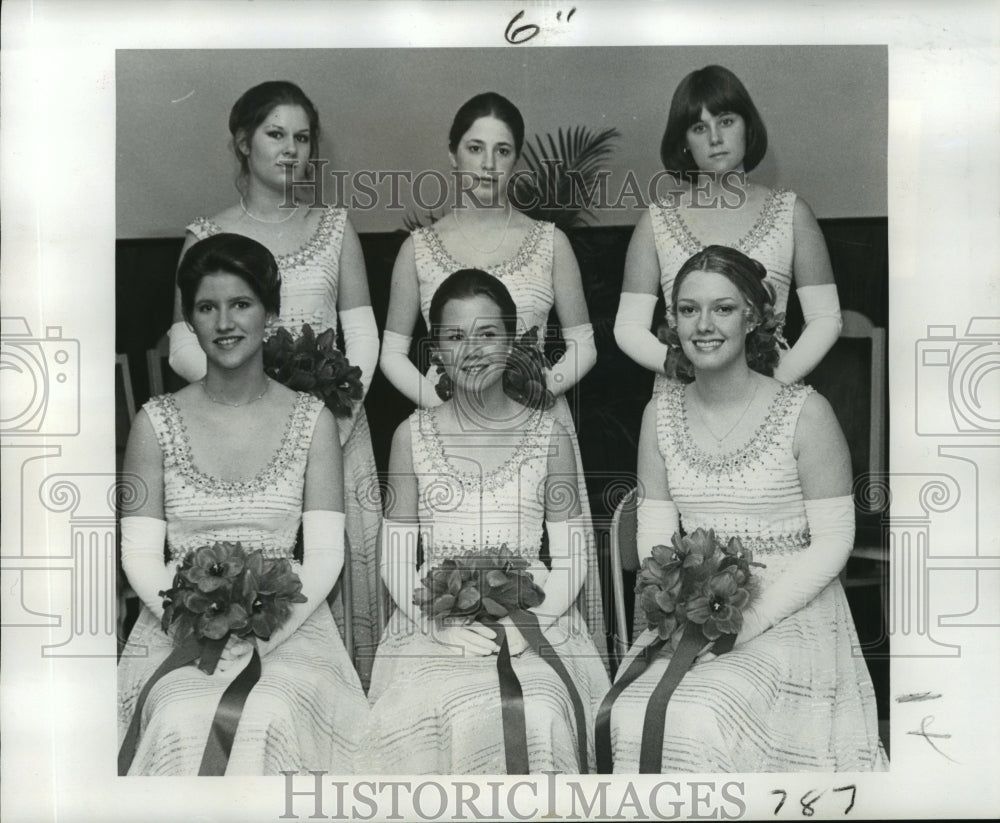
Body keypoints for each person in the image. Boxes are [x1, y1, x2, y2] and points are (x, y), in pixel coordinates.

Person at [607, 245, 886, 772]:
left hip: (790, 606)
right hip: (695, 606)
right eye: (688, 310)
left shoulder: (805, 412)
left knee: (705, 710)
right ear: (672, 322)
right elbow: (657, 534)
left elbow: (833, 542)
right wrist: (673, 605)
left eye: (724, 308)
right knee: (627, 712)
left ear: (753, 318)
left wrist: (747, 622)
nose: (704, 325)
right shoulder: (659, 413)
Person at [118, 234, 367, 775]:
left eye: (241, 304)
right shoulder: (154, 422)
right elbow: (138, 556)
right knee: (178, 713)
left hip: (291, 627)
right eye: (207, 308)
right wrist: (193, 622)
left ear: (270, 314)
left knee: (270, 711)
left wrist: (260, 627)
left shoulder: (313, 420)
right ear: (190, 322)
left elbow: (324, 557)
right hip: (175, 625)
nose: (225, 322)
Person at [166, 81, 382, 687]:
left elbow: (360, 336)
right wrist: (244, 396)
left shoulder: (336, 228)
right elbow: (185, 340)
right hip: (237, 435)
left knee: (334, 566)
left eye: (303, 137)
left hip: (337, 430)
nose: (291, 150)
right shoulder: (206, 235)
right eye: (276, 134)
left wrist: (329, 418)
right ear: (243, 142)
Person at [379, 91, 606, 659]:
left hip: (531, 423)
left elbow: (584, 342)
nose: (487, 163)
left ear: (517, 160)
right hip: (446, 429)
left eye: (502, 150)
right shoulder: (418, 248)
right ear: (453, 154)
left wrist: (537, 388)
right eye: (475, 147)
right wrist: (437, 399)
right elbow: (390, 350)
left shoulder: (549, 241)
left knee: (544, 555)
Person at [362, 270, 610, 774]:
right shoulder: (410, 435)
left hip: (538, 612)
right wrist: (436, 624)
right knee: (435, 710)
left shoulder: (549, 434)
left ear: (514, 342)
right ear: (435, 350)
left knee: (538, 709)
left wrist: (534, 623)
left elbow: (572, 556)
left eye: (487, 334)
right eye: (455, 337)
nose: (471, 350)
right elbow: (394, 558)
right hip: (432, 616)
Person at [614, 65, 842, 390]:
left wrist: (774, 382)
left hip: (772, 388)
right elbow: (628, 327)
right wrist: (681, 368)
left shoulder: (792, 213)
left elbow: (825, 319)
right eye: (699, 127)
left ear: (747, 127)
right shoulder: (656, 221)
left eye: (726, 121)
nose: (715, 138)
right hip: (684, 395)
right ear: (684, 142)